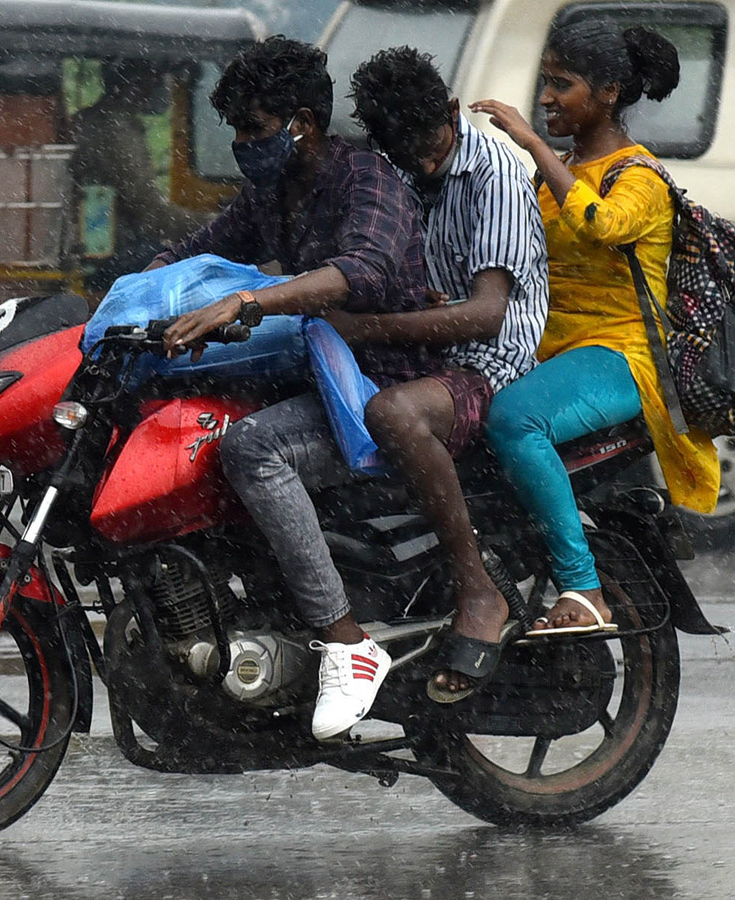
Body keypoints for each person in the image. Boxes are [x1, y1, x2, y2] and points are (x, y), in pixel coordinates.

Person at [152, 36, 439, 740]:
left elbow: (362, 269)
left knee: (253, 449)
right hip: (321, 374)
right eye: (238, 131)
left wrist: (250, 303)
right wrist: (127, 299)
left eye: (254, 128)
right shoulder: (273, 191)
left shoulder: (368, 178)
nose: (244, 144)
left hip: (383, 386)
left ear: (303, 122)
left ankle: (347, 641)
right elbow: (196, 253)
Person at [469, 21, 719, 634]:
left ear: (607, 93)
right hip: (549, 353)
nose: (547, 98)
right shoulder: (554, 174)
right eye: (544, 83)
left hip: (621, 355)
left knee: (513, 420)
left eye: (563, 85)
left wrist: (533, 144)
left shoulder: (640, 176)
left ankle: (585, 589)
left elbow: (603, 225)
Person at [332, 47, 548, 702]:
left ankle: (477, 589)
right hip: (423, 350)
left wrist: (364, 329)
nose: (424, 165)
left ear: (452, 113)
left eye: (431, 146)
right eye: (406, 152)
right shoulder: (392, 168)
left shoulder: (498, 176)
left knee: (394, 415)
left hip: (490, 365)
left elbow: (484, 317)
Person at [70, 59, 208, 291]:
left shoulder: (98, 119)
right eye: (155, 78)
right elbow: (150, 213)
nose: (158, 86)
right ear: (138, 81)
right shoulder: (115, 129)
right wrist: (214, 224)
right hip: (109, 256)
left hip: (103, 248)